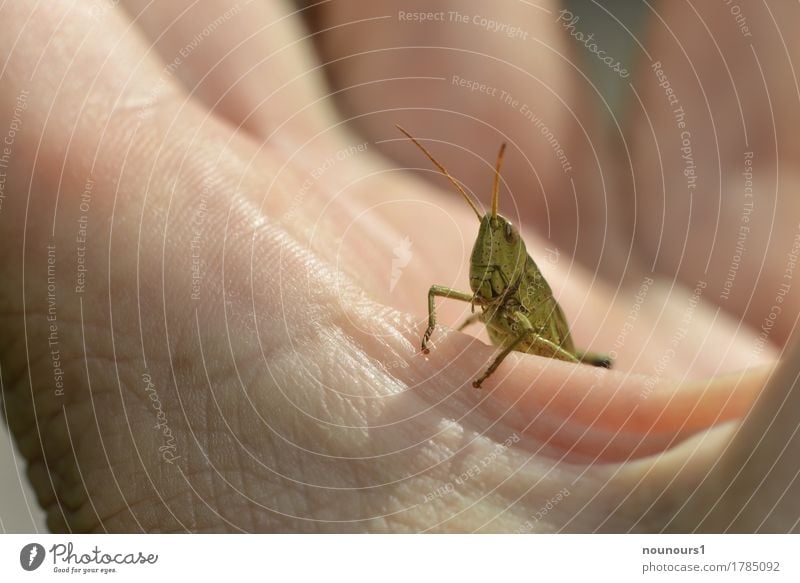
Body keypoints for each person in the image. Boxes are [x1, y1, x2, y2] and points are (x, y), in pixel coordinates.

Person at [0, 0, 797, 533]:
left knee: (577, 349)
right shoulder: (475, 277)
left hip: (566, 348)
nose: (491, 254)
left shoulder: (518, 290)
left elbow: (519, 331)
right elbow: (443, 295)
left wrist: (484, 374)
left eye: (500, 241)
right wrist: (431, 330)